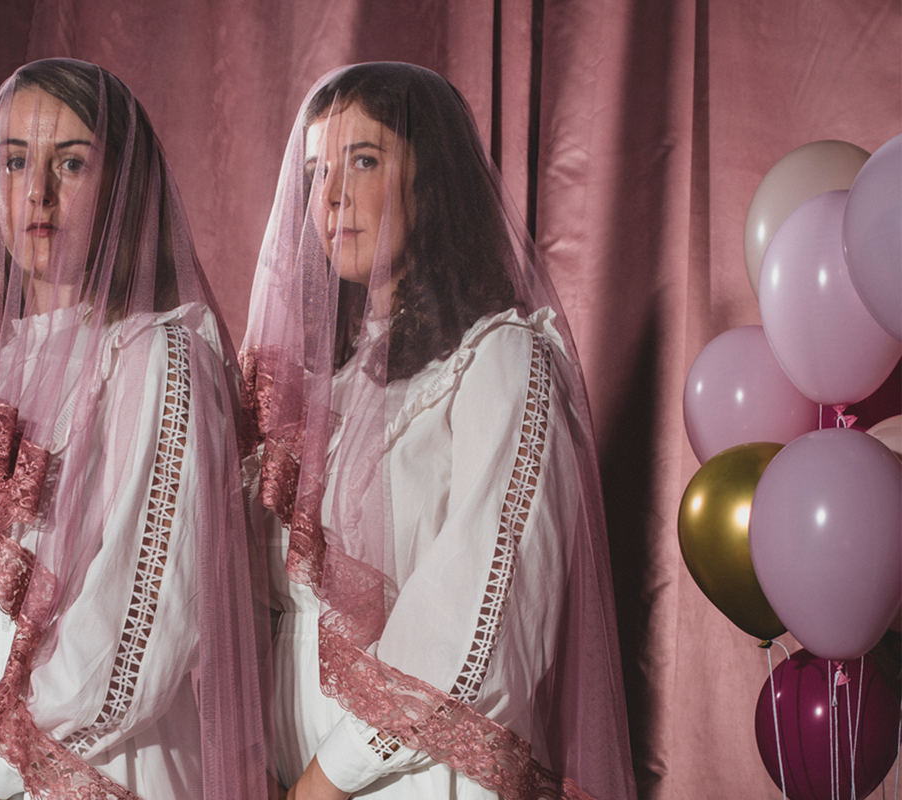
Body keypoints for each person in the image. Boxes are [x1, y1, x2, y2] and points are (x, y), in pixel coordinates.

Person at [0, 59, 271, 800]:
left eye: (70, 163)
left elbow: (144, 615)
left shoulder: (158, 356)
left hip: (92, 760)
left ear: (124, 185)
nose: (36, 191)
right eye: (14, 161)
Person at [240, 63, 636, 800]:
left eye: (363, 160)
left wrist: (327, 778)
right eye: (316, 170)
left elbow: (480, 616)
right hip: (289, 771)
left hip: (420, 775)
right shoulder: (319, 387)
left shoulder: (501, 360)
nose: (331, 195)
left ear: (431, 179)